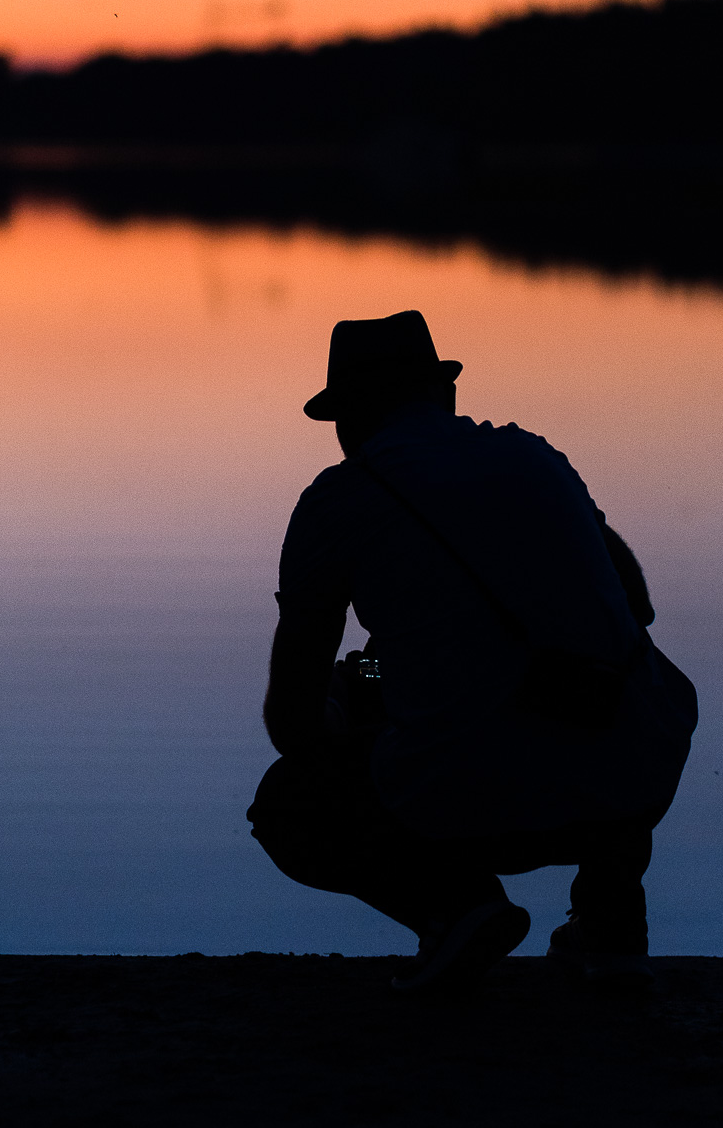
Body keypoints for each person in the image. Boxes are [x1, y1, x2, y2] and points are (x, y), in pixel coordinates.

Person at [248, 310, 697, 993]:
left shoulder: (337, 502)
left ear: (347, 419)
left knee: (288, 802)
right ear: (444, 396)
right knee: (630, 678)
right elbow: (634, 608)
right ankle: (611, 922)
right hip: (635, 771)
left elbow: (293, 722)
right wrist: (380, 674)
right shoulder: (535, 458)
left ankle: (456, 906)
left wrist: (349, 709)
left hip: (482, 796)